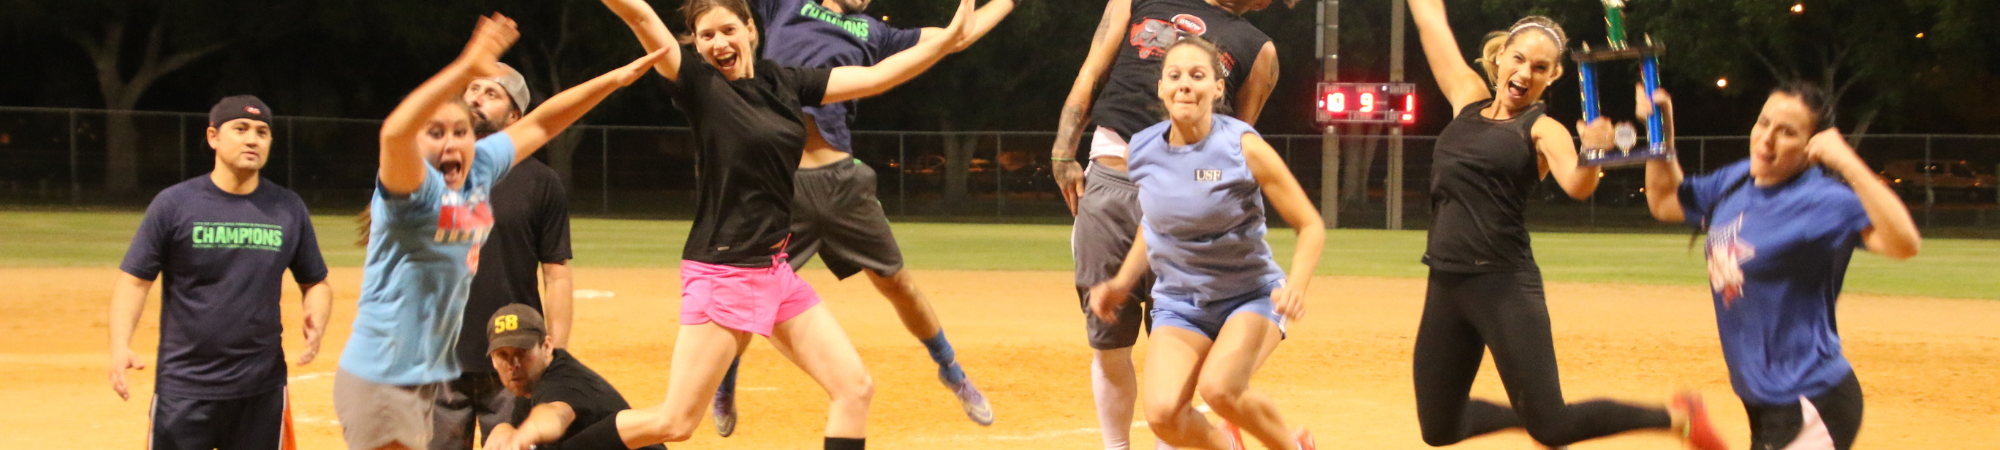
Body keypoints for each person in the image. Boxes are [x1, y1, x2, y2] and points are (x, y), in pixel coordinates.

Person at [579, 0, 974, 448]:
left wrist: (945, 41)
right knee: (675, 423)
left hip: (772, 271)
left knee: (854, 389)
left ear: (750, 29)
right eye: (705, 36)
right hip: (724, 272)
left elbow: (875, 77)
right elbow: (640, 16)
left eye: (728, 29)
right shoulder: (698, 85)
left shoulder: (783, 81)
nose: (718, 43)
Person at [334, 13, 666, 450]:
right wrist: (467, 66)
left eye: (459, 131)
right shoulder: (407, 192)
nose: (451, 142)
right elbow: (394, 132)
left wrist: (613, 80)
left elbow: (545, 123)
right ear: (419, 143)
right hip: (385, 373)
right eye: (436, 133)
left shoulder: (479, 169)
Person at [1405, 0, 1725, 448]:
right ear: (1500, 58)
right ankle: (1531, 414)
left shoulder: (1542, 129)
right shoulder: (1467, 97)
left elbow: (1577, 185)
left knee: (1553, 428)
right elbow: (1429, 21)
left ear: (1552, 76)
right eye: (1518, 59)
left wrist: (1594, 153)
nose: (1524, 72)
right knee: (1439, 429)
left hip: (1503, 284)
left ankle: (1677, 418)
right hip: (1446, 282)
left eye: (1540, 67)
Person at [707, 0, 1017, 431]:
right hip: (779, 183)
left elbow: (956, 36)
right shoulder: (785, 5)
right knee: (749, 294)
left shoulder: (876, 33)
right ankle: (724, 383)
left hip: (841, 182)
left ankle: (952, 370)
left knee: (898, 285)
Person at [1636, 81, 1921, 450]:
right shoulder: (1737, 180)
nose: (1766, 139)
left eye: (1787, 132)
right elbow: (1664, 201)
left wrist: (1847, 161)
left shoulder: (1822, 200)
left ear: (1813, 146)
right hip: (1762, 398)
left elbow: (1905, 244)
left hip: (1811, 398)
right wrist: (1660, 134)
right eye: (1763, 123)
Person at [1051, 0, 1282, 447]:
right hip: (1111, 177)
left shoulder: (1258, 49)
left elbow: (1237, 137)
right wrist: (1064, 148)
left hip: (1186, 198)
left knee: (1180, 336)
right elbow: (1091, 71)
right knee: (1108, 336)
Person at [1087, 36, 1319, 450]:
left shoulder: (1243, 146)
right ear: (1160, 87)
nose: (1184, 85)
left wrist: (1296, 285)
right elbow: (1156, 224)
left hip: (1249, 296)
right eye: (1174, 76)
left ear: (1217, 87)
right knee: (1163, 416)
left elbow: (1310, 225)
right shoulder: (1141, 150)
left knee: (1220, 389)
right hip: (1180, 304)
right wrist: (1122, 282)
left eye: (1197, 75)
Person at [108, 95, 333, 450]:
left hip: (261, 389)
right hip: (184, 388)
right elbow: (135, 280)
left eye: (262, 132)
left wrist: (316, 317)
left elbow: (315, 281)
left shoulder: (287, 208)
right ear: (213, 137)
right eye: (240, 129)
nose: (252, 139)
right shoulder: (175, 204)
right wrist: (120, 345)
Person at [432, 62, 578, 450]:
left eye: (491, 93)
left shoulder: (541, 182)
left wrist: (556, 355)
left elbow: (557, 274)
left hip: (515, 359)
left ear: (516, 116)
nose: (476, 98)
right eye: (472, 90)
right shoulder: (434, 171)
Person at [475, 305, 664, 450]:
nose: (513, 363)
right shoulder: (529, 381)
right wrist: (508, 429)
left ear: (547, 346)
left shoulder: (562, 383)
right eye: (502, 355)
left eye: (522, 351)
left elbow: (556, 413)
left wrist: (526, 432)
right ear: (492, 359)